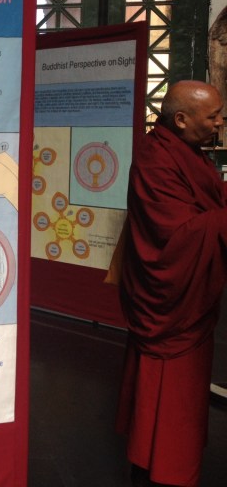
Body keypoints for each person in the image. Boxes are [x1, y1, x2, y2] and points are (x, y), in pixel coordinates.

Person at [116, 80, 226, 487]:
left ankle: (168, 465)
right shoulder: (155, 158)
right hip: (167, 302)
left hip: (190, 306)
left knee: (184, 404)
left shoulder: (186, 152)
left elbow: (208, 202)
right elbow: (176, 236)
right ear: (180, 119)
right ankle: (156, 470)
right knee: (164, 397)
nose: (220, 122)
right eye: (213, 116)